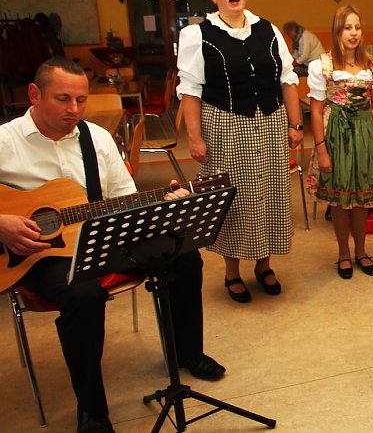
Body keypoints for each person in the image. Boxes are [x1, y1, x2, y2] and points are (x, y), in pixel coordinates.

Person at [0, 57, 224, 433]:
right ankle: (92, 412)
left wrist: (163, 202)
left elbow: (124, 197)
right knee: (84, 295)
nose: (74, 109)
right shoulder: (5, 141)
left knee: (183, 254)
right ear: (35, 94)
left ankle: (188, 353)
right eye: (63, 99)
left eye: (81, 100)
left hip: (99, 237)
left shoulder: (97, 138)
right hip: (34, 255)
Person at [177, 0, 303, 303]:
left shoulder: (269, 29)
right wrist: (194, 138)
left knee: (271, 192)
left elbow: (287, 80)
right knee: (232, 197)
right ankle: (232, 272)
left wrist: (295, 124)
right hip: (225, 123)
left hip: (271, 121)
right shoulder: (197, 35)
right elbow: (190, 90)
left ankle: (264, 265)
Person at [307, 6, 373, 279]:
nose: (353, 33)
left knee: (362, 198)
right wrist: (321, 150)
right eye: (347, 28)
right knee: (341, 199)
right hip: (335, 136)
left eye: (357, 27)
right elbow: (315, 111)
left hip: (364, 135)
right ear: (337, 31)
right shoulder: (322, 65)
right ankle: (343, 253)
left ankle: (361, 251)